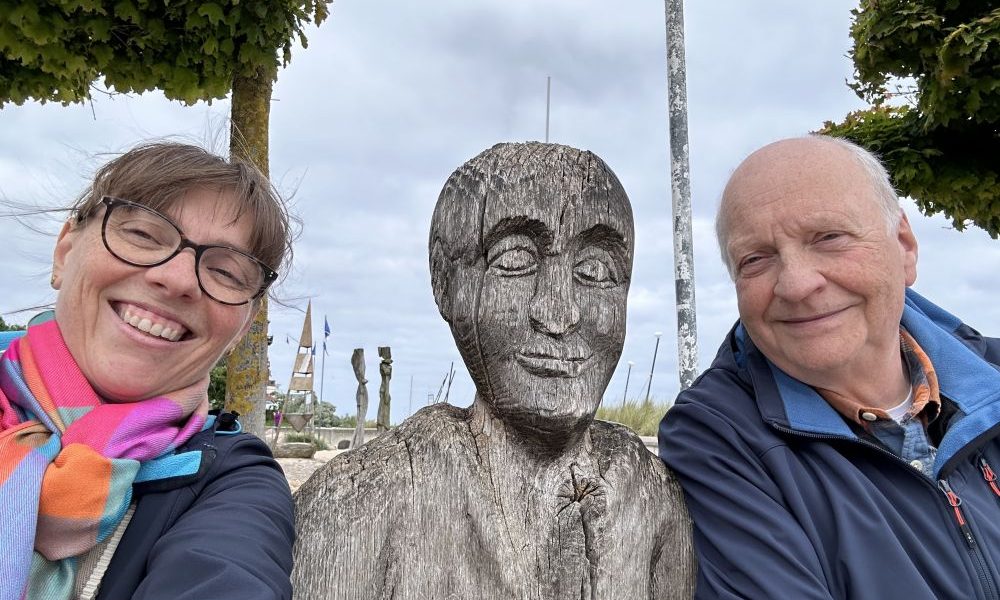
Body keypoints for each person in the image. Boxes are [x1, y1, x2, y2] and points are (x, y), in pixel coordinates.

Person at [292, 142, 695, 599]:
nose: (558, 314)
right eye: (515, 263)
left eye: (596, 270)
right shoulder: (355, 505)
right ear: (446, 283)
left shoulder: (653, 498)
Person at [659, 134, 1000, 599]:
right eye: (756, 259)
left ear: (904, 245)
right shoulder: (720, 437)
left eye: (829, 238)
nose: (797, 284)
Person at [0, 142, 296, 599]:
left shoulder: (230, 482)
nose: (177, 279)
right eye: (142, 234)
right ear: (65, 251)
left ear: (242, 329)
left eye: (227, 273)